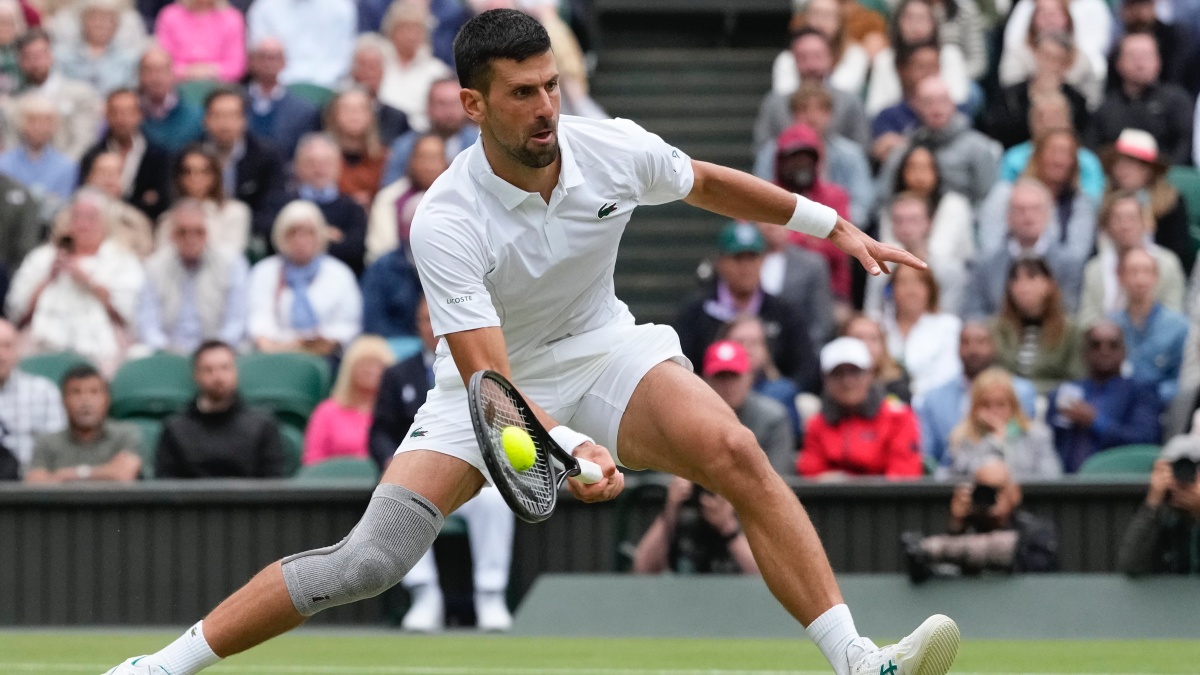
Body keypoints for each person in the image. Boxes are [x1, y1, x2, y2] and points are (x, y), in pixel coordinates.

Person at [104, 11, 959, 675]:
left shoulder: (610, 148)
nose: (546, 106)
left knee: (736, 450)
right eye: (522, 93)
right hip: (484, 383)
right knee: (368, 561)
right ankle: (163, 663)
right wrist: (574, 447)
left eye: (550, 85)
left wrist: (833, 224)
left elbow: (707, 184)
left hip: (603, 346)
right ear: (473, 105)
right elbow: (491, 383)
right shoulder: (444, 219)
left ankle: (858, 658)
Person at [6, 189, 143, 373]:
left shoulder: (122, 260)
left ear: (105, 223)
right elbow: (17, 312)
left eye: (91, 218)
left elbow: (129, 314)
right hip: (43, 343)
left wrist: (88, 282)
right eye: (77, 217)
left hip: (100, 348)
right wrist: (49, 278)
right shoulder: (42, 257)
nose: (83, 224)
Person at [674, 222, 820, 394]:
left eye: (752, 257)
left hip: (772, 401)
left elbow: (806, 368)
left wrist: (782, 389)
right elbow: (681, 367)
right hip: (711, 398)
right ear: (721, 262)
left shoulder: (783, 312)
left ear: (763, 260)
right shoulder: (696, 312)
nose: (746, 267)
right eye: (738, 258)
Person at [902, 459, 1059, 583]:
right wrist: (957, 527)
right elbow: (929, 573)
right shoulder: (964, 530)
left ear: (1015, 493)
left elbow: (1040, 575)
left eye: (998, 490)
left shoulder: (1035, 531)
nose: (990, 497)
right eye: (984, 491)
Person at [247, 200, 361, 358]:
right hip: (275, 353)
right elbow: (258, 320)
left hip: (327, 354)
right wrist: (287, 345)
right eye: (293, 232)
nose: (301, 239)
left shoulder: (339, 273)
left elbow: (348, 323)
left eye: (309, 232)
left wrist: (318, 342)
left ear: (320, 235)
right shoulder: (264, 271)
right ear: (281, 235)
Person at [155, 340, 284, 479]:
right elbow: (167, 488)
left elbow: (273, 485)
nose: (218, 377)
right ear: (196, 375)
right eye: (208, 369)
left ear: (236, 372)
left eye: (225, 368)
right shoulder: (175, 429)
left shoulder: (263, 426)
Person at [799, 337, 924, 478]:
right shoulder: (817, 424)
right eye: (837, 374)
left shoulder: (898, 417)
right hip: (830, 499)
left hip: (887, 499)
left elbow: (905, 475)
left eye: (855, 372)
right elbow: (810, 475)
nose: (847, 382)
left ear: (870, 374)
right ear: (825, 379)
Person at [962, 179, 1087, 319]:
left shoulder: (1070, 264)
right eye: (1020, 210)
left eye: (1035, 209)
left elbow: (1070, 312)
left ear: (1048, 214)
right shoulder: (984, 264)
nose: (1028, 216)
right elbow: (972, 314)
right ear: (1008, 217)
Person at [918, 322, 1038, 465]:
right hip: (953, 478)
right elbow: (927, 458)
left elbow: (1027, 442)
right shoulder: (934, 399)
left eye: (981, 342)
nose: (973, 349)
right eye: (966, 342)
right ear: (957, 349)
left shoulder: (1021, 392)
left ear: (994, 346)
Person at [137, 200, 249, 355]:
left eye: (198, 232)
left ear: (207, 233)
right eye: (183, 232)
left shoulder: (231, 263)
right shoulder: (155, 266)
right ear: (172, 235)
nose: (191, 239)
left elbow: (236, 322)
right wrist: (165, 348)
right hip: (169, 352)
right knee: (137, 353)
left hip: (217, 350)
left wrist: (214, 350)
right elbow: (147, 323)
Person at [753, 84, 873, 226]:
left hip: (837, 230)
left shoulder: (850, 154)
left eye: (820, 109)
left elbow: (862, 206)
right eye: (803, 109)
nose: (812, 117)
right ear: (792, 115)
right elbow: (760, 198)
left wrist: (828, 227)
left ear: (830, 114)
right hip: (785, 229)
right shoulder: (771, 152)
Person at [1050, 321, 1161, 472]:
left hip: (1115, 484)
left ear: (1124, 351)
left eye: (1113, 345)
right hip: (1062, 485)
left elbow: (1145, 439)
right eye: (1096, 345)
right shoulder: (1064, 391)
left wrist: (1095, 421)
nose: (1104, 351)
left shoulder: (1140, 392)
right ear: (1084, 352)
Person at [876, 76, 1001, 207]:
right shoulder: (905, 147)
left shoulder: (977, 147)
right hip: (910, 219)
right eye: (928, 102)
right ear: (916, 106)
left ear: (953, 104)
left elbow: (989, 198)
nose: (936, 108)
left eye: (942, 101)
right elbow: (884, 197)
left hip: (961, 219)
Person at [977, 129, 1097, 262]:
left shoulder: (1079, 202)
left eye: (1066, 154)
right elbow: (990, 247)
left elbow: (1077, 256)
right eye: (1053, 152)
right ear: (1037, 156)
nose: (1059, 160)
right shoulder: (1005, 195)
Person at [754, 27, 871, 155]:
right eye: (803, 57)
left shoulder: (850, 102)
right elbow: (762, 149)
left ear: (830, 58)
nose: (811, 65)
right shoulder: (774, 104)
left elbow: (862, 147)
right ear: (794, 60)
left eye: (817, 56)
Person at [772, 122, 852, 304]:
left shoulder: (835, 196)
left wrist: (789, 238)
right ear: (781, 161)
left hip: (830, 293)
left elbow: (841, 248)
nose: (801, 164)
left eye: (807, 157)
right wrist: (811, 238)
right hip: (773, 290)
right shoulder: (764, 193)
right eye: (794, 157)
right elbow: (753, 238)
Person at [1078, 192, 1185, 326]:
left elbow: (1174, 317)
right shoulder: (1094, 270)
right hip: (1106, 342)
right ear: (1106, 226)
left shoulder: (1168, 264)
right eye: (1118, 219)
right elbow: (1087, 321)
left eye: (1131, 218)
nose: (1125, 226)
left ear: (1145, 223)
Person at [1087, 32, 1193, 165]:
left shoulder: (1177, 101)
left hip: (1165, 179)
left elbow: (1184, 146)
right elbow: (1092, 151)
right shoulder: (1106, 107)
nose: (1139, 63)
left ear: (1158, 62)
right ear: (1118, 63)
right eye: (1132, 56)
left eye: (1146, 56)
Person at [23, 364, 141, 482]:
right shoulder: (46, 442)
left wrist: (63, 475)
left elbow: (125, 474)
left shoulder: (125, 436)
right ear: (63, 401)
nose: (85, 401)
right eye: (76, 392)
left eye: (94, 392)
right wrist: (106, 471)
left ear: (107, 399)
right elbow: (34, 482)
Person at [942, 368, 1061, 480]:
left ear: (1013, 405)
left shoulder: (1037, 435)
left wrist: (1004, 442)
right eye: (985, 404)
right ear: (975, 408)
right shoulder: (961, 437)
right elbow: (946, 477)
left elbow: (1051, 476)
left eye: (1001, 404)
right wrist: (994, 441)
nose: (994, 411)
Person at [201, 87, 286, 242]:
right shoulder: (192, 155)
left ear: (244, 120)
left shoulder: (266, 156)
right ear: (205, 120)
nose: (225, 124)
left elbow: (273, 207)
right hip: (199, 233)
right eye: (218, 116)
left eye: (232, 116)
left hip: (250, 235)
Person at [1103, 128, 1193, 274]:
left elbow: (1178, 252)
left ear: (1148, 169)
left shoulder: (1171, 202)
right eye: (1119, 162)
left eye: (1131, 162)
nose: (1123, 169)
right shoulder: (1106, 200)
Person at [990, 257, 1084, 394]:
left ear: (1049, 284)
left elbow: (1076, 379)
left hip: (1051, 403)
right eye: (1015, 279)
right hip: (1005, 402)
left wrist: (1027, 391)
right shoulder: (996, 328)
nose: (1023, 287)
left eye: (1031, 278)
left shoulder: (1071, 331)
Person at [702, 340, 797, 477]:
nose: (728, 385)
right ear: (706, 380)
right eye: (720, 377)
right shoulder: (692, 418)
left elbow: (780, 476)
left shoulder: (773, 418)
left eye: (734, 376)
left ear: (749, 377)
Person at [863, 0, 971, 119]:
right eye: (909, 18)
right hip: (899, 124)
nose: (915, 24)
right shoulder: (885, 59)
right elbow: (875, 108)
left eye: (921, 18)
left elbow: (959, 100)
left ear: (933, 23)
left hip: (943, 123)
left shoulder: (950, 55)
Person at [632, 475, 759, 574]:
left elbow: (763, 578)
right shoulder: (679, 513)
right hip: (682, 597)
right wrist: (671, 509)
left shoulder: (743, 507)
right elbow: (642, 569)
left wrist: (727, 526)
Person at [866, 193, 968, 316]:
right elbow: (872, 313)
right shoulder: (880, 267)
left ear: (929, 223)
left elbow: (951, 317)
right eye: (899, 220)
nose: (906, 227)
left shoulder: (949, 269)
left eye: (913, 220)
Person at [79, 87, 172, 222]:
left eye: (128, 112)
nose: (121, 119)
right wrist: (142, 201)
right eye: (115, 112)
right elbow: (86, 196)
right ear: (107, 115)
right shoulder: (93, 156)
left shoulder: (158, 155)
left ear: (139, 114)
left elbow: (161, 202)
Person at [985, 33, 1092, 150]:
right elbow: (997, 133)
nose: (1049, 64)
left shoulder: (1077, 100)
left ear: (1067, 64)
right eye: (1045, 56)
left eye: (1057, 59)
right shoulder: (1011, 95)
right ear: (1035, 56)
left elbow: (1080, 137)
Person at [9, 28, 102, 160]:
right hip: (22, 175)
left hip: (71, 170)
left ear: (52, 55)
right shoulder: (14, 102)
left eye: (40, 55)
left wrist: (60, 172)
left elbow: (85, 141)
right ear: (20, 62)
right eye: (28, 57)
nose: (35, 62)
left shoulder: (80, 94)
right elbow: (11, 146)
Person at [874, 144, 973, 267]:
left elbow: (940, 253)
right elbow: (888, 254)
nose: (919, 175)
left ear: (937, 172)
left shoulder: (954, 205)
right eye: (912, 167)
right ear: (902, 172)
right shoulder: (892, 206)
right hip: (899, 275)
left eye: (926, 167)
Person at [1110, 248, 1188, 403]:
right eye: (1133, 271)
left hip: (1160, 408)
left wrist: (1148, 397)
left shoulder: (1178, 326)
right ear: (1120, 276)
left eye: (1147, 271)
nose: (1140, 280)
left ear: (1156, 277)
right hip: (1116, 405)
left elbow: (1183, 380)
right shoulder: (1110, 325)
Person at [301, 335, 394, 466]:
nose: (370, 370)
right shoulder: (326, 412)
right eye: (364, 364)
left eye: (377, 365)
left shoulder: (397, 413)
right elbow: (312, 462)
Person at [875, 265, 963, 401]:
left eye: (918, 282)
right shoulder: (877, 325)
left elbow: (948, 375)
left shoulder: (949, 327)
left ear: (931, 289)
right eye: (903, 283)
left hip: (932, 405)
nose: (911, 290)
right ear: (891, 290)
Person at [1116, 436, 1200, 575]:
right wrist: (1153, 503)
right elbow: (1129, 566)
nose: (1187, 473)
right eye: (1177, 466)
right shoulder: (1160, 514)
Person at [369, 294, 435, 471]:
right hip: (408, 469)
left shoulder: (470, 370)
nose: (434, 328)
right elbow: (380, 432)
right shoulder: (397, 374)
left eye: (438, 319)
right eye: (427, 320)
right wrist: (390, 460)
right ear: (418, 325)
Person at [995, 91, 1101, 198]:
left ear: (1068, 121)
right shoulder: (1013, 158)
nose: (1047, 123)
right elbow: (1004, 198)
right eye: (1040, 117)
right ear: (1030, 121)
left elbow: (1093, 203)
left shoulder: (1086, 162)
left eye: (1054, 116)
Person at [290, 133, 368, 277]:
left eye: (326, 163)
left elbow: (355, 251)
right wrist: (325, 235)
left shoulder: (353, 209)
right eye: (311, 163)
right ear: (297, 166)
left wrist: (305, 236)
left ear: (338, 165)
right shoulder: (284, 203)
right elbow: (277, 243)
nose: (319, 170)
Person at [998, 0, 1101, 108]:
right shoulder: (1018, 55)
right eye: (1042, 14)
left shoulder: (1081, 60)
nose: (1049, 20)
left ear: (1067, 18)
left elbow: (1092, 102)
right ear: (1033, 19)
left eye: (1055, 14)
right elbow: (1008, 91)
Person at [770, 0, 873, 104]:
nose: (820, 21)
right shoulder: (786, 58)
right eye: (815, 14)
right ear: (805, 18)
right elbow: (783, 99)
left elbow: (842, 95)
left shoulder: (855, 55)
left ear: (840, 21)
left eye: (827, 15)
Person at [381, 77, 478, 186]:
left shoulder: (479, 143)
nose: (449, 111)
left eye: (454, 104)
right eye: (441, 103)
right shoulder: (405, 146)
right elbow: (391, 189)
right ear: (428, 106)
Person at [367, 134, 449, 264]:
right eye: (422, 158)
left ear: (446, 162)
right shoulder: (389, 198)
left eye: (434, 159)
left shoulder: (460, 197)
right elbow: (379, 249)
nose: (428, 167)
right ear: (411, 161)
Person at [754, 219, 836, 349]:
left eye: (778, 219)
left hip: (800, 347)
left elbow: (821, 321)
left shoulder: (812, 265)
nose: (772, 225)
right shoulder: (745, 262)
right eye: (765, 220)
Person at [722, 314, 804, 441]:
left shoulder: (783, 392)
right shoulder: (709, 390)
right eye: (739, 342)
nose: (746, 349)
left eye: (754, 342)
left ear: (766, 349)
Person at [158, 144, 250, 256]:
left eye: (203, 172)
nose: (195, 178)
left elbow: (233, 256)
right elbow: (162, 259)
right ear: (179, 178)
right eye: (188, 172)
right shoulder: (168, 219)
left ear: (215, 176)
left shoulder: (235, 212)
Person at [0, 317, 66, 473]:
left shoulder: (43, 391)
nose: (0, 354)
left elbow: (57, 448)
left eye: (7, 346)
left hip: (32, 488)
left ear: (18, 350)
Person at [377, 2, 454, 133]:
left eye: (416, 30)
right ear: (390, 31)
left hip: (422, 134)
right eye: (404, 29)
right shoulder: (377, 63)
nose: (410, 36)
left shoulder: (437, 71)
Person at [0, 93, 77, 221]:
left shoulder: (66, 166)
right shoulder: (4, 163)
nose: (39, 128)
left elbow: (61, 206)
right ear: (21, 123)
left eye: (46, 121)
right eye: (33, 120)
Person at [245, 0, 355, 89]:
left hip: (329, 85)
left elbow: (343, 58)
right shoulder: (264, 6)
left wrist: (321, 84)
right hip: (278, 85)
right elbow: (258, 56)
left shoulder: (341, 6)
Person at [244, 37, 320, 162]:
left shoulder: (303, 111)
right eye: (263, 57)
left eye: (275, 57)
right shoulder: (234, 102)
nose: (269, 63)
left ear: (284, 63)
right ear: (251, 61)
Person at [69, 150, 154, 257]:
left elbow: (145, 258)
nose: (109, 178)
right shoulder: (67, 216)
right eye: (103, 171)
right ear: (89, 177)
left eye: (116, 172)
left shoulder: (137, 221)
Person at [869, 41, 944, 161]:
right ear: (906, 71)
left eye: (933, 66)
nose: (928, 73)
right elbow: (881, 152)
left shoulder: (954, 113)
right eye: (921, 67)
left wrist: (903, 143)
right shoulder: (888, 116)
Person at [52, 0, 137, 95]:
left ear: (116, 25)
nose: (99, 24)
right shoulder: (64, 56)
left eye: (106, 19)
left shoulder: (128, 60)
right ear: (82, 21)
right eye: (93, 18)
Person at [153, 0, 245, 83]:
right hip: (177, 85)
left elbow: (236, 66)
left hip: (221, 85)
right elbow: (163, 61)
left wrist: (211, 71)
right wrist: (187, 72)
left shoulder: (232, 18)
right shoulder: (169, 16)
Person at [326, 89, 390, 209]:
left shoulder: (384, 157)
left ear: (371, 116)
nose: (354, 115)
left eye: (361, 109)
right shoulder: (321, 156)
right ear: (334, 115)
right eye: (347, 109)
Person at [137, 45, 203, 152]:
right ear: (139, 75)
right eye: (149, 70)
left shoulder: (195, 116)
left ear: (173, 74)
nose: (156, 77)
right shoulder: (129, 112)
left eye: (162, 70)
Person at [347, 34, 410, 147]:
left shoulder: (397, 118)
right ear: (352, 70)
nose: (369, 72)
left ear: (384, 70)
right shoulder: (336, 111)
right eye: (364, 65)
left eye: (375, 66)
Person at [843, 314, 913, 402]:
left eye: (873, 339)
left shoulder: (899, 384)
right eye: (858, 338)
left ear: (883, 345)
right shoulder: (831, 383)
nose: (866, 345)